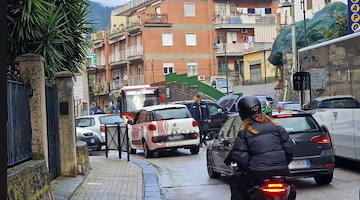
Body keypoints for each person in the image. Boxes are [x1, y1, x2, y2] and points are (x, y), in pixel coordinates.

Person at [224, 96, 296, 200]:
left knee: (236, 182)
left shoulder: (244, 133)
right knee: (291, 186)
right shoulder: (277, 127)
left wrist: (248, 168)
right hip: (281, 171)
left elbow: (240, 156)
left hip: (257, 173)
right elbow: (289, 149)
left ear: (242, 113)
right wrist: (282, 164)